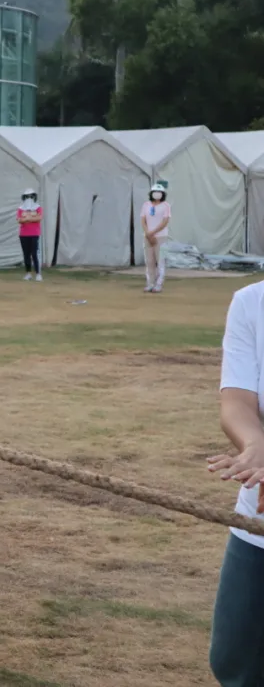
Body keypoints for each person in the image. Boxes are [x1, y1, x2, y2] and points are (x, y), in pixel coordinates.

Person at [206, 281, 264, 686]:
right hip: (256, 526)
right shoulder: (252, 303)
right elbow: (237, 402)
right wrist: (256, 445)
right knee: (235, 661)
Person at [141, 184, 171, 293]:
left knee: (160, 261)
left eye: (159, 192)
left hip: (161, 237)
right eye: (155, 192)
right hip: (148, 237)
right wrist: (148, 233)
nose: (157, 194)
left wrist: (153, 233)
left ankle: (158, 284)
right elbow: (143, 220)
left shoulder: (166, 206)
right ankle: (150, 283)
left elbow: (165, 222)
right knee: (149, 261)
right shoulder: (146, 205)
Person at [17, 188, 42, 282]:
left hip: (34, 234)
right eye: (27, 196)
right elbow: (19, 220)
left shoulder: (38, 207)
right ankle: (28, 273)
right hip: (23, 234)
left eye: (31, 196)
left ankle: (38, 274)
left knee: (34, 254)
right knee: (26, 254)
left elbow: (39, 218)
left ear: (34, 197)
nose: (29, 198)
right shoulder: (20, 208)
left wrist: (27, 218)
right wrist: (32, 217)